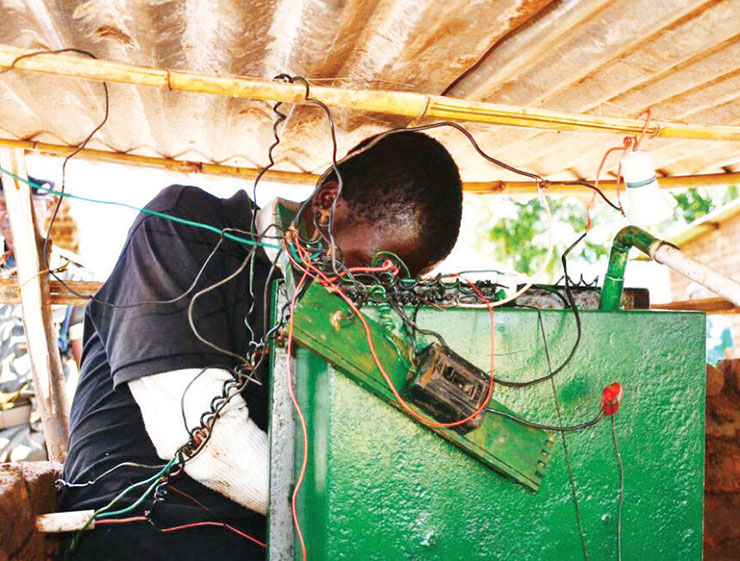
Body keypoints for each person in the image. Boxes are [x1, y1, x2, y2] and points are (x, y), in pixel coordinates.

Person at [59, 131, 463, 560]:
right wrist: (362, 519)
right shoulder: (180, 225)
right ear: (328, 204)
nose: (360, 291)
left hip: (254, 530)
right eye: (362, 267)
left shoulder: (338, 309)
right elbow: (208, 447)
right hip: (136, 517)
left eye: (385, 284)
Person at [0, 176, 86, 462]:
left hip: (39, 440)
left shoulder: (71, 276)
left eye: (19, 202)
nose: (7, 213)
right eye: (1, 205)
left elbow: (86, 363)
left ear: (48, 204)